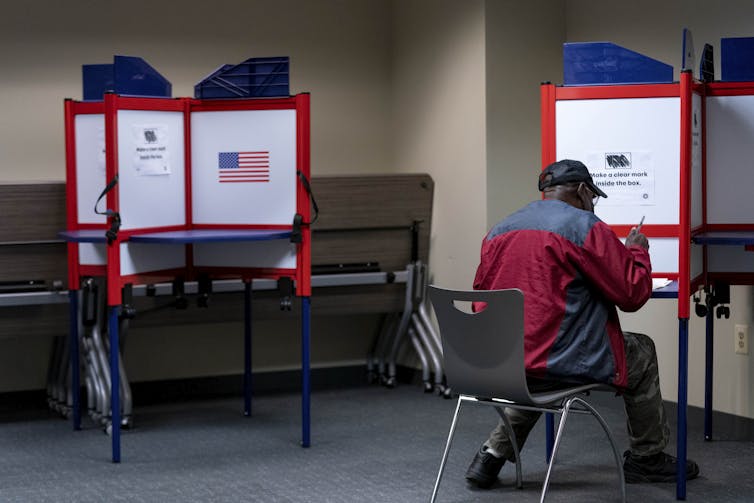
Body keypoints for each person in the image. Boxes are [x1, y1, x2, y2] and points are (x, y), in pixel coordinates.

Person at [466, 159, 700, 488]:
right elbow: (632, 294)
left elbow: (481, 294)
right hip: (558, 361)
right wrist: (636, 252)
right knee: (641, 351)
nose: (593, 205)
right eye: (594, 197)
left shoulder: (499, 230)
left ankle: (490, 454)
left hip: (505, 361)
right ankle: (647, 458)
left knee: (537, 361)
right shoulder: (585, 227)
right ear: (582, 190)